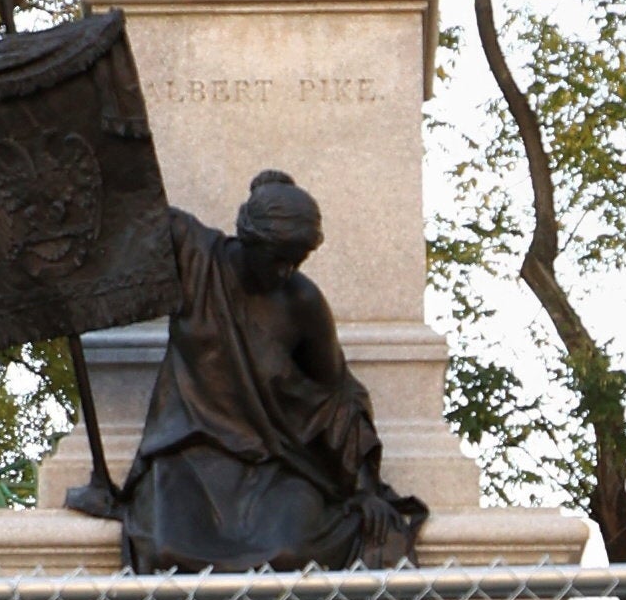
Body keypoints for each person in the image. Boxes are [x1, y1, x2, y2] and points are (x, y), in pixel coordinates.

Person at [122, 171, 425, 572]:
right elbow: (127, 210)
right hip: (193, 455)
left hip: (275, 464)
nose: (285, 271)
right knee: (167, 549)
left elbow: (337, 396)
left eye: (296, 261)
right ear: (248, 238)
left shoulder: (302, 301)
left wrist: (364, 487)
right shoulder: (194, 257)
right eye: (277, 258)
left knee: (291, 553)